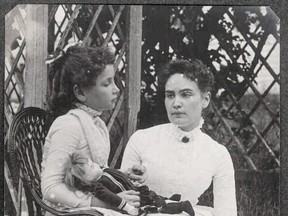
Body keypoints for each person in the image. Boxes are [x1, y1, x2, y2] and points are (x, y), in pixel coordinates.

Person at [121, 59, 237, 216]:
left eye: (186, 94)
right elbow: (122, 199)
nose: (176, 103)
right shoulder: (142, 140)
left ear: (205, 99)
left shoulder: (218, 154)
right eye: (170, 95)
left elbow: (227, 212)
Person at [41, 42, 143, 213]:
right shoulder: (68, 126)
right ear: (80, 93)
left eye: (115, 81)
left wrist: (123, 175)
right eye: (106, 83)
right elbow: (50, 188)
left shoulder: (96, 124)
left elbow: (92, 174)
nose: (116, 89)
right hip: (68, 211)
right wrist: (105, 203)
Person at [65, 153, 195, 216]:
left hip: (138, 190)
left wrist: (129, 172)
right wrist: (127, 207)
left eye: (92, 163)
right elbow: (113, 198)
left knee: (157, 199)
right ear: (87, 179)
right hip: (137, 198)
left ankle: (171, 200)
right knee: (156, 207)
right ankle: (181, 206)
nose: (96, 165)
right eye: (92, 168)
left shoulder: (104, 170)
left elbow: (119, 175)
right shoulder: (99, 186)